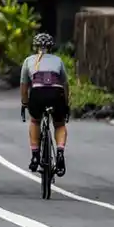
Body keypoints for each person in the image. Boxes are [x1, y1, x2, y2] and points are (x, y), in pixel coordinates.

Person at [20, 32, 70, 177]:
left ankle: (35, 155)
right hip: (56, 93)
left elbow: (24, 86)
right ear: (51, 47)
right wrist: (66, 104)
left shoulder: (29, 60)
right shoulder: (58, 61)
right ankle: (60, 152)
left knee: (35, 121)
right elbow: (65, 85)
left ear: (35, 47)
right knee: (59, 124)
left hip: (38, 93)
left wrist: (25, 102)